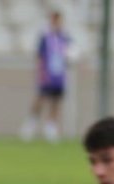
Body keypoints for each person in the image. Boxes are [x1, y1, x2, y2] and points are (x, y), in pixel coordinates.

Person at [19, 10, 71, 143]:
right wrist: (41, 72)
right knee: (40, 99)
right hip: (47, 74)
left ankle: (51, 128)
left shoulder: (65, 38)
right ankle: (30, 124)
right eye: (55, 20)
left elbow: (71, 53)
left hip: (59, 75)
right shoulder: (45, 38)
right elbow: (40, 56)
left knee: (56, 101)